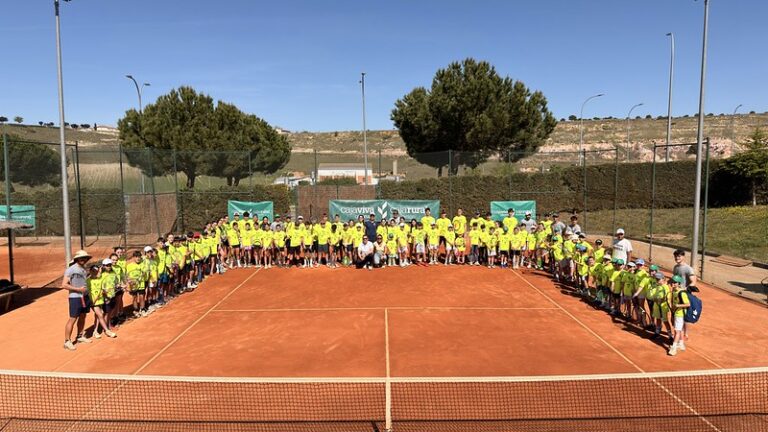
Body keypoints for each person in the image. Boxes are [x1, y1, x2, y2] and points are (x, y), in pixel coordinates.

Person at [62, 250, 93, 350]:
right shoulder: (71, 269)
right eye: (81, 258)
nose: (83, 259)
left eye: (85, 258)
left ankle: (80, 336)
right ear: (77, 259)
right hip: (75, 297)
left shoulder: (83, 269)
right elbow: (64, 285)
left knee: (83, 316)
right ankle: (67, 341)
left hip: (85, 297)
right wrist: (78, 289)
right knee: (73, 318)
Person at [668, 275, 690, 356]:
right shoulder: (674, 291)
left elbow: (688, 304)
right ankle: (681, 344)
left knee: (676, 331)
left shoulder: (682, 293)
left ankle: (673, 348)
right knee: (679, 329)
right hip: (676, 313)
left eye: (675, 282)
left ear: (679, 283)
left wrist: (678, 305)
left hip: (680, 314)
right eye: (672, 282)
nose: (672, 284)